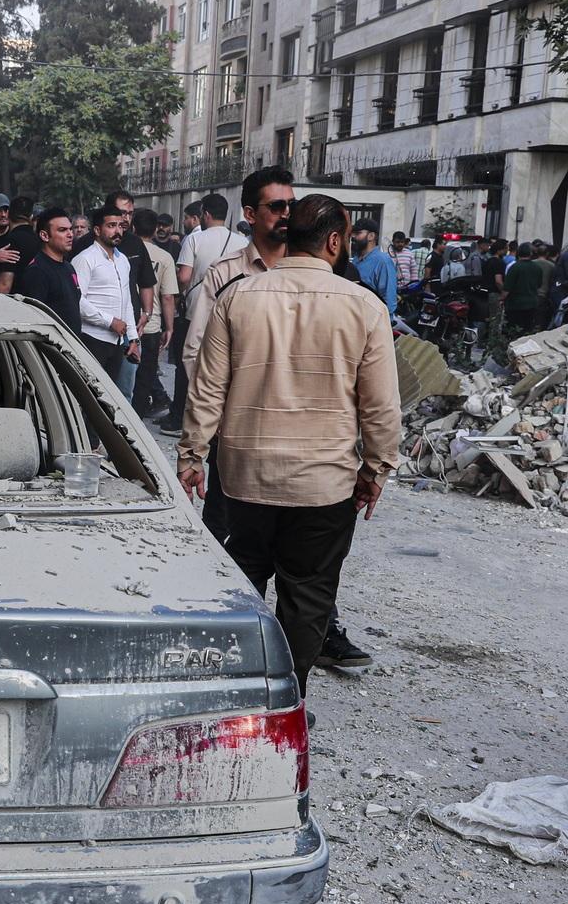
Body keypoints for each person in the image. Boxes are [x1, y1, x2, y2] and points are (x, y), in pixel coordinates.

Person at [177, 193, 401, 697]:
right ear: (335, 241)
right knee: (309, 594)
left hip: (245, 475)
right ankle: (287, 698)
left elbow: (207, 388)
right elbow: (381, 406)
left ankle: (238, 693)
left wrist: (192, 454)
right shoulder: (365, 306)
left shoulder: (239, 296)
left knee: (245, 580)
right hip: (324, 483)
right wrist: (376, 469)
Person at [180, 169, 290, 541]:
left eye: (291, 206)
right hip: (237, 432)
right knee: (224, 532)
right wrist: (208, 427)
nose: (286, 214)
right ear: (250, 214)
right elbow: (196, 352)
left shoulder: (311, 272)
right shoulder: (226, 274)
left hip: (294, 434)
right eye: (276, 206)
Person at [72, 203, 139, 387]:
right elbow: (77, 301)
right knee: (90, 394)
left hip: (118, 341)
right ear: (97, 230)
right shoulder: (85, 259)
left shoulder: (123, 260)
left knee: (110, 394)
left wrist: (132, 337)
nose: (117, 231)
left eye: (120, 226)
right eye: (111, 226)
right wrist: (110, 322)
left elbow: (126, 300)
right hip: (93, 339)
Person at [132, 207, 179, 418]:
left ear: (133, 228)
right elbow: (167, 296)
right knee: (145, 377)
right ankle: (137, 418)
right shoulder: (165, 257)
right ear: (154, 231)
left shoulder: (124, 252)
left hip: (126, 323)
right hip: (151, 324)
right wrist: (169, 327)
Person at [14, 208, 82, 333]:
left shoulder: (68, 267)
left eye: (70, 229)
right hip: (51, 342)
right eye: (62, 230)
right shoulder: (37, 271)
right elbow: (34, 320)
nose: (70, 234)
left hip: (72, 341)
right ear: (44, 235)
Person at [349, 219, 398, 315]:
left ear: (371, 236)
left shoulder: (383, 261)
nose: (353, 237)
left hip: (373, 320)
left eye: (358, 233)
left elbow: (389, 302)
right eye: (353, 233)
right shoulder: (355, 260)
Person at [502, 241, 549, 334]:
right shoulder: (537, 268)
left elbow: (507, 288)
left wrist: (501, 299)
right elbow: (539, 284)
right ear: (531, 253)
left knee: (513, 330)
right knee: (527, 330)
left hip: (515, 304)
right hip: (532, 303)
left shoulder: (515, 267)